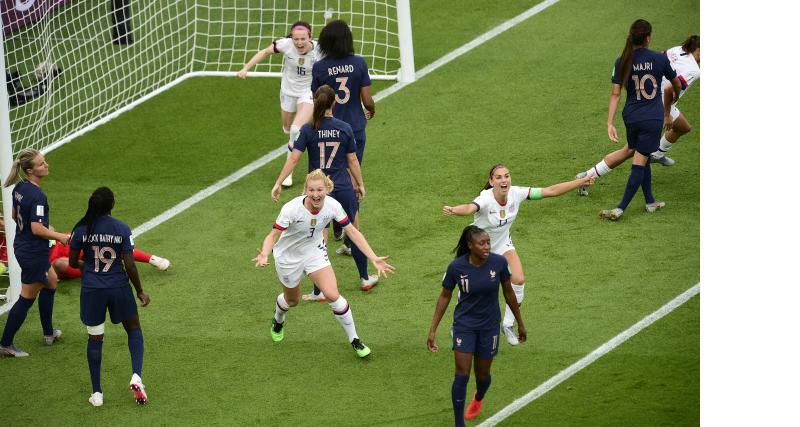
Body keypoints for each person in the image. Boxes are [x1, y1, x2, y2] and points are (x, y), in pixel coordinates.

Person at [443, 164, 593, 346]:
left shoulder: (517, 193)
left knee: (518, 279)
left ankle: (507, 324)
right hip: (479, 247)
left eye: (506, 176)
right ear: (491, 182)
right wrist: (453, 210)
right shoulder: (486, 198)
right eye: (498, 177)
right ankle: (459, 326)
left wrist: (580, 182)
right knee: (470, 291)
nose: (503, 180)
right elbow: (469, 208)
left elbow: (551, 191)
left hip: (503, 244)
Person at [253, 169, 394, 358]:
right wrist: (264, 254)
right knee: (292, 301)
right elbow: (273, 235)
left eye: (319, 190)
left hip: (314, 252)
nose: (315, 194)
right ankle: (278, 319)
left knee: (333, 295)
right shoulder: (291, 209)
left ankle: (355, 340)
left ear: (327, 189)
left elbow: (352, 231)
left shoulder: (333, 206)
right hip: (288, 257)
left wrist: (373, 257)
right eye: (311, 190)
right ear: (306, 191)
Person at [271, 85, 379, 294]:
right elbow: (352, 160)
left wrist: (278, 182)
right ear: (334, 102)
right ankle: (365, 278)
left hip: (317, 191)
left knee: (317, 236)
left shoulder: (308, 129)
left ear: (315, 102)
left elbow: (294, 158)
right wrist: (360, 183)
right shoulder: (344, 128)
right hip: (343, 187)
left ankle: (318, 291)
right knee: (354, 230)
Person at [427, 225, 526, 426]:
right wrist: (433, 329)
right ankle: (458, 423)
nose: (487, 246)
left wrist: (520, 322)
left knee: (483, 376)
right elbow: (445, 296)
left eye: (488, 242)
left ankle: (478, 397)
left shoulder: (499, 263)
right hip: (464, 325)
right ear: (470, 246)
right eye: (482, 243)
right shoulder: (456, 267)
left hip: (489, 326)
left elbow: (509, 293)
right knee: (462, 373)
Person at [575, 35, 699, 195]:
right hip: (659, 106)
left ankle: (657, 153)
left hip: (652, 98)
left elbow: (659, 61)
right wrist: (667, 114)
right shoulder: (694, 71)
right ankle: (587, 176)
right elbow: (669, 89)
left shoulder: (678, 50)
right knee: (630, 150)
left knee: (683, 127)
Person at [68, 187, 150, 407]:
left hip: (92, 290)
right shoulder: (121, 228)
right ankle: (136, 376)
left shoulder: (81, 229)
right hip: (118, 287)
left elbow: (72, 263)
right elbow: (130, 265)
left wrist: (91, 267)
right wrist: (140, 291)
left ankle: (97, 393)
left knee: (95, 339)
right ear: (112, 205)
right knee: (133, 328)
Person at [597, 19, 682, 221]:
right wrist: (674, 98)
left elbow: (615, 94)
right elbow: (675, 83)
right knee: (640, 160)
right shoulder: (659, 59)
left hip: (631, 117)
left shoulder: (622, 60)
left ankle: (650, 201)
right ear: (647, 38)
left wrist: (609, 123)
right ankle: (620, 208)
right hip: (651, 118)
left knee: (641, 153)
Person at [311, 19, 375, 249]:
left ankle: (334, 221)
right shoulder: (358, 63)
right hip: (355, 128)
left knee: (327, 176)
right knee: (352, 179)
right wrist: (371, 110)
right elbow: (367, 99)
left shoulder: (319, 68)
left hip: (328, 129)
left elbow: (316, 101)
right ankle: (349, 235)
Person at [0, 148, 69, 357]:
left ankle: (49, 333)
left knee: (52, 281)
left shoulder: (19, 188)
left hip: (23, 246)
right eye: (41, 164)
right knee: (27, 296)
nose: (46, 165)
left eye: (44, 161)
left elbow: (14, 216)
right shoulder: (38, 196)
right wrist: (58, 236)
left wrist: (43, 230)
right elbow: (36, 229)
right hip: (33, 253)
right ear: (30, 170)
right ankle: (5, 344)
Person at [238, 21, 319, 188]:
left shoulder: (319, 50)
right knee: (288, 128)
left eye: (303, 39)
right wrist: (246, 68)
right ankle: (296, 138)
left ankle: (288, 172)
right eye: (296, 39)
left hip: (307, 93)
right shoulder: (285, 45)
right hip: (288, 91)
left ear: (310, 37)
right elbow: (265, 52)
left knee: (296, 130)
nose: (299, 42)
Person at [50, 231, 170, 280]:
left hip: (68, 242)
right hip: (56, 262)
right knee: (59, 263)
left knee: (106, 244)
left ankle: (151, 259)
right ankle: (101, 270)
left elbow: (49, 227)